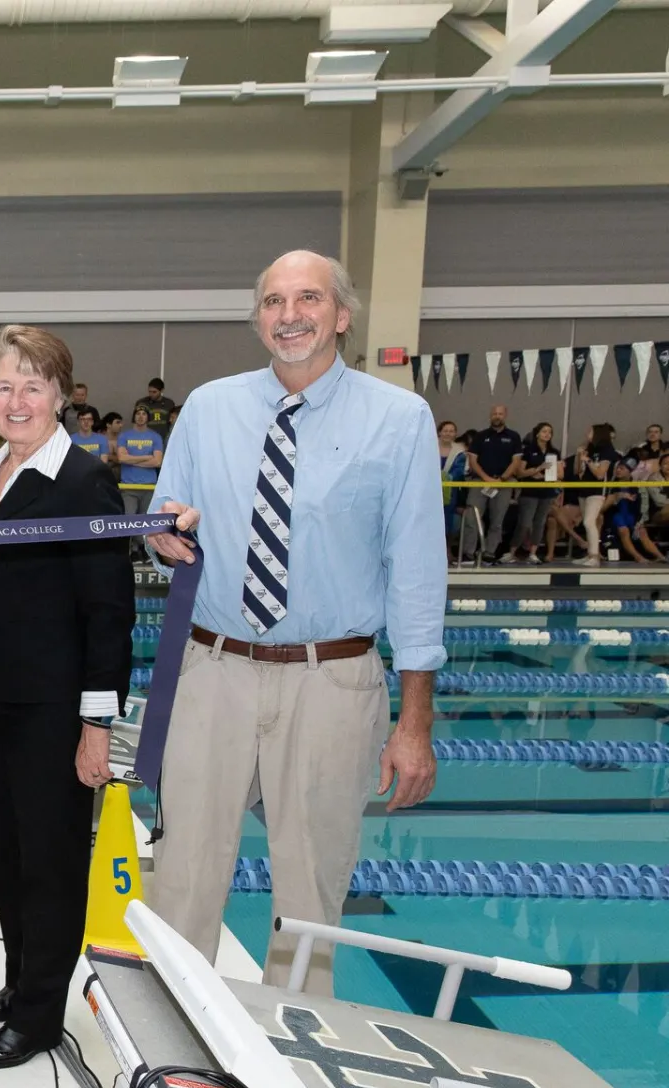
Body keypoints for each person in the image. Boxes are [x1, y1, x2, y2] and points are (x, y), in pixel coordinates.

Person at [146, 250, 443, 994]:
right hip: (213, 670)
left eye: (308, 298)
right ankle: (174, 1042)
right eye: (274, 302)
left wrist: (415, 724)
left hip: (332, 678)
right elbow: (164, 527)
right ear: (258, 319)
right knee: (183, 875)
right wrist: (160, 539)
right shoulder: (209, 408)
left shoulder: (398, 420)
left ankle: (298, 1051)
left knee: (311, 889)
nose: (289, 315)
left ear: (341, 315)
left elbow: (415, 575)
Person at [0, 325, 135, 1070]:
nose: (18, 399)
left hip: (54, 710)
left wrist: (96, 724)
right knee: (4, 854)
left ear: (63, 395)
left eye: (34, 385)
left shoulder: (85, 481)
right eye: (4, 385)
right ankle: (20, 982)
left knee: (51, 864)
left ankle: (39, 1018)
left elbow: (108, 613)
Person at [466, 405, 520, 563]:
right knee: (472, 517)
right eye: (495, 414)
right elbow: (473, 460)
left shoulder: (513, 436)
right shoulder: (481, 436)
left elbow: (516, 461)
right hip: (479, 482)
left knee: (497, 520)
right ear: (490, 416)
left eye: (500, 414)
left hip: (503, 483)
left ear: (505, 415)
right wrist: (486, 478)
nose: (497, 416)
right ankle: (468, 552)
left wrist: (502, 479)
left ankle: (489, 552)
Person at [507, 422, 560, 563]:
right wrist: (537, 469)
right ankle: (512, 551)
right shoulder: (528, 450)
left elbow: (557, 473)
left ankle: (533, 552)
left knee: (540, 522)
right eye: (544, 431)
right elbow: (520, 472)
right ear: (537, 433)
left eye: (550, 432)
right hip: (530, 491)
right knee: (524, 523)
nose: (547, 434)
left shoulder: (554, 452)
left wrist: (552, 474)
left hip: (546, 491)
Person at [578, 423, 623, 566]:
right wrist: (581, 457)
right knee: (588, 523)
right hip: (584, 489)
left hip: (597, 491)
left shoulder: (607, 450)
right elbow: (578, 472)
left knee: (589, 521)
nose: (587, 433)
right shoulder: (590, 449)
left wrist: (589, 461)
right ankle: (590, 554)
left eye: (590, 431)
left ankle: (595, 556)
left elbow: (600, 474)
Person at [605, 461, 665, 562]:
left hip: (632, 516)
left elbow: (644, 506)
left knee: (642, 532)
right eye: (617, 468)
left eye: (622, 468)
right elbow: (605, 506)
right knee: (624, 531)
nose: (618, 470)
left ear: (630, 471)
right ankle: (637, 556)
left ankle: (661, 557)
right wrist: (617, 497)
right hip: (616, 516)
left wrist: (640, 521)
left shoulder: (638, 486)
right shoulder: (610, 486)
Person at [437, 421, 479, 564]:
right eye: (445, 430)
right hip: (429, 491)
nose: (448, 433)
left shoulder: (459, 451)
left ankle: (447, 551)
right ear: (439, 432)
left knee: (448, 523)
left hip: (450, 492)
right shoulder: (428, 447)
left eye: (451, 431)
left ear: (455, 434)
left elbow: (458, 472)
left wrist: (443, 477)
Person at [115, 407, 165, 516]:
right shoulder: (124, 436)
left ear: (148, 417)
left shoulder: (155, 437)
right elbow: (121, 458)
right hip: (128, 486)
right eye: (138, 414)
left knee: (146, 523)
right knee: (128, 520)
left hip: (149, 486)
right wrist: (147, 457)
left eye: (144, 414)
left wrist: (131, 460)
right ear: (134, 416)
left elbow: (157, 462)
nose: (141, 416)